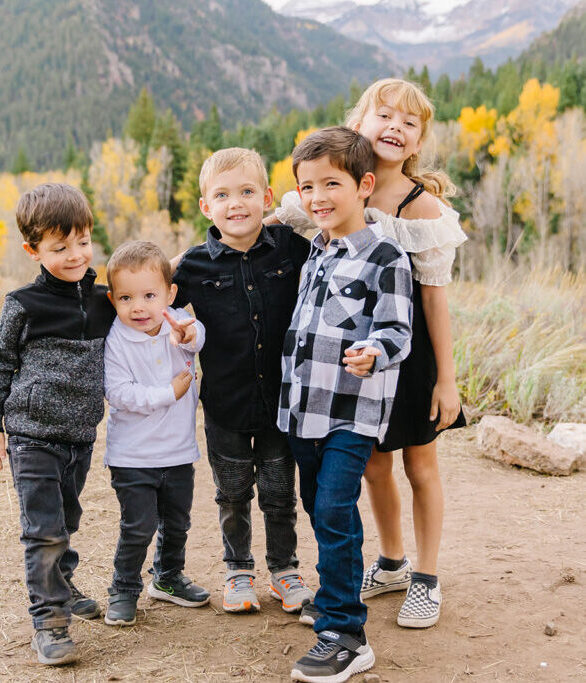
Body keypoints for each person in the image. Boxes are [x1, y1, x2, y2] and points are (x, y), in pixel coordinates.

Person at [273, 78, 467, 629]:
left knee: (420, 463)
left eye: (409, 123)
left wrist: (445, 379)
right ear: (358, 122)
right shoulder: (332, 189)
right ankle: (390, 562)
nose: (395, 128)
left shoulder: (422, 208)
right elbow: (277, 223)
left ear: (418, 140)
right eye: (384, 115)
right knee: (374, 466)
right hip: (350, 362)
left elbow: (435, 302)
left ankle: (426, 578)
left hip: (410, 353)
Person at [279, 127, 413, 682]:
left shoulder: (386, 255)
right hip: (301, 410)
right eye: (306, 187)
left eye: (330, 183)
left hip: (351, 412)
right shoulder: (316, 247)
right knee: (318, 506)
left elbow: (399, 329)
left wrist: (374, 351)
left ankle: (345, 631)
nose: (317, 198)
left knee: (335, 508)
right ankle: (335, 592)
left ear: (362, 185)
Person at [172, 147, 314, 614]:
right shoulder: (192, 266)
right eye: (223, 195)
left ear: (267, 197)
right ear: (205, 207)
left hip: (281, 402)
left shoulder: (291, 249)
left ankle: (285, 571)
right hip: (225, 406)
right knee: (232, 494)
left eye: (247, 192)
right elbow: (151, 293)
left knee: (279, 493)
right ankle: (238, 572)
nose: (236, 203)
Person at [0, 183, 115, 665]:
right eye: (60, 248)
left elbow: (148, 315)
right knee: (44, 530)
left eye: (82, 242)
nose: (75, 255)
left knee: (67, 520)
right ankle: (50, 621)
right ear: (32, 250)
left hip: (81, 437)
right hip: (32, 436)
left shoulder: (106, 299)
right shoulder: (24, 304)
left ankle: (63, 582)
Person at [102, 240, 210, 627]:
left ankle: (167, 578)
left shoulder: (177, 322)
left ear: (170, 293)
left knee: (177, 522)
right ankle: (124, 588)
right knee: (139, 526)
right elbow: (118, 394)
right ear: (113, 299)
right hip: (133, 456)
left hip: (178, 451)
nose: (139, 307)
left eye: (150, 295)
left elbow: (198, 335)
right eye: (127, 298)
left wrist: (190, 334)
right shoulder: (116, 339)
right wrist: (171, 393)